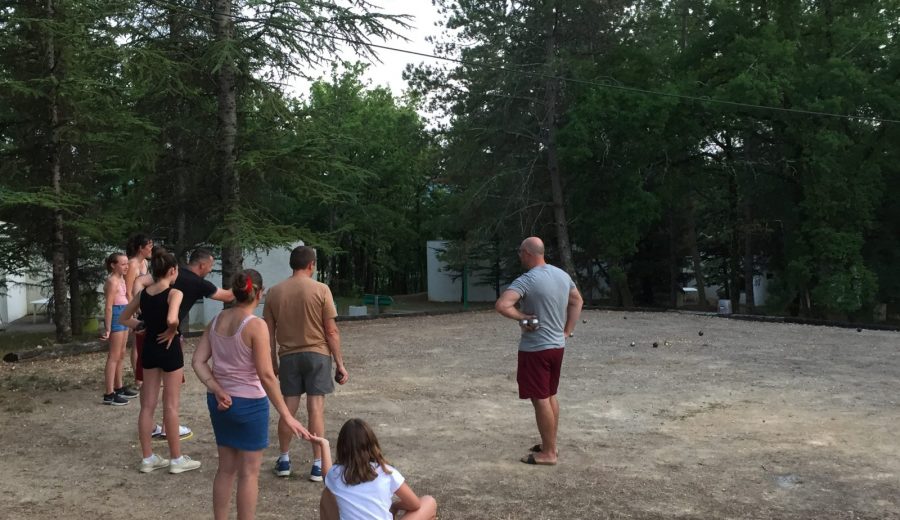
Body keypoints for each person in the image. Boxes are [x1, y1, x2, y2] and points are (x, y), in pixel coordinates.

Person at [192, 269, 312, 520]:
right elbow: (267, 376)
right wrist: (287, 415)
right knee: (249, 473)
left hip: (219, 402)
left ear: (235, 292)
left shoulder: (216, 321)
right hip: (250, 405)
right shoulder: (256, 326)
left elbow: (198, 362)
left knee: (225, 469)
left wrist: (216, 388)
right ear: (259, 293)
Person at [494, 236, 583, 466]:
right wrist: (567, 331)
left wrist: (523, 317)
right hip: (557, 346)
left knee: (540, 398)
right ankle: (549, 444)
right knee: (550, 395)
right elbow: (577, 300)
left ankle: (549, 453)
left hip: (535, 349)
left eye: (520, 252)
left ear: (528, 253)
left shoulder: (527, 280)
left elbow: (502, 305)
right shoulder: (562, 275)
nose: (519, 256)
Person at [264, 245, 348, 481]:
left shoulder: (274, 292)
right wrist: (340, 364)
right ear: (311, 264)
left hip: (288, 356)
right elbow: (331, 331)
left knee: (287, 410)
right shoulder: (321, 290)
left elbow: (268, 332)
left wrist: (272, 361)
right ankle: (318, 464)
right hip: (318, 355)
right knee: (315, 410)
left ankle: (283, 459)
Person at [133, 247, 235, 441]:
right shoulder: (196, 282)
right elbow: (228, 296)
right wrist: (246, 282)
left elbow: (140, 280)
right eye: (210, 267)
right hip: (169, 338)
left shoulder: (168, 270)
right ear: (202, 264)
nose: (209, 271)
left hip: (147, 335)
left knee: (148, 393)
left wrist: (141, 310)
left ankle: (151, 437)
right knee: (171, 396)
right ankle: (168, 430)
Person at [119, 247, 201, 474]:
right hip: (169, 348)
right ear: (173, 271)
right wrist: (172, 329)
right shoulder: (175, 293)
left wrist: (141, 325)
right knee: (171, 405)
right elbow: (172, 318)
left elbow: (124, 317)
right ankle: (176, 459)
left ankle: (147, 458)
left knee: (147, 405)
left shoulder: (143, 294)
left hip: (150, 349)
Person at [320, 418, 437, 520]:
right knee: (428, 501)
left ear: (341, 447)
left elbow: (327, 477)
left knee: (327, 494)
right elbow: (414, 504)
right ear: (372, 444)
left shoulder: (335, 474)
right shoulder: (387, 472)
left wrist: (324, 445)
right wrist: (395, 506)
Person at [100, 252, 137, 405]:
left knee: (121, 354)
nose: (126, 266)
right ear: (113, 265)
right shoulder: (112, 281)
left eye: (127, 263)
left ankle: (119, 386)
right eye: (122, 264)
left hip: (124, 313)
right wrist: (108, 328)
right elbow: (108, 307)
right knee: (114, 356)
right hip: (116, 314)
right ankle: (109, 393)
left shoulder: (121, 279)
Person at [125, 233, 153, 387]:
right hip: (136, 308)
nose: (151, 249)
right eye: (149, 246)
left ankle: (146, 375)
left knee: (145, 342)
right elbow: (128, 290)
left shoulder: (145, 264)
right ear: (141, 248)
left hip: (146, 305)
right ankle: (138, 378)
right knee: (137, 343)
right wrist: (133, 310)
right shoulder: (132, 264)